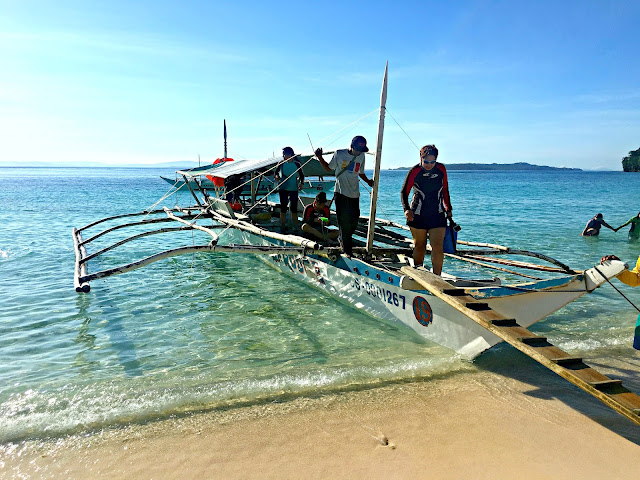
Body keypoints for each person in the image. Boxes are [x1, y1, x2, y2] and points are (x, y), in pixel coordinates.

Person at [315, 136, 374, 256]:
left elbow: (360, 172)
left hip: (354, 193)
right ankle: (347, 250)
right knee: (344, 222)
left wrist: (368, 181)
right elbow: (328, 168)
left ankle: (342, 239)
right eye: (357, 149)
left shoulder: (361, 155)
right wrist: (320, 157)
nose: (359, 152)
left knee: (354, 221)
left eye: (361, 150)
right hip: (341, 193)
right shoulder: (339, 154)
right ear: (352, 146)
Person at [401, 144, 453, 275]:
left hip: (437, 213)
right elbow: (404, 192)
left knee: (438, 247)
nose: (429, 165)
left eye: (432, 161)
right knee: (420, 246)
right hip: (418, 213)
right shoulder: (415, 171)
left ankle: (437, 277)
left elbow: (445, 190)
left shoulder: (441, 169)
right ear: (420, 158)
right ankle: (419, 274)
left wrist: (448, 208)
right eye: (426, 161)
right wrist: (406, 209)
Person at [275, 146, 304, 233]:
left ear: (289, 154)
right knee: (283, 207)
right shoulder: (281, 163)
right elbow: (276, 173)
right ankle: (282, 226)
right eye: (283, 154)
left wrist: (301, 183)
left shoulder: (297, 163)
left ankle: (295, 227)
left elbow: (302, 175)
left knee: (293, 208)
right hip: (283, 188)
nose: (283, 156)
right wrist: (277, 177)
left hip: (293, 188)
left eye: (284, 154)